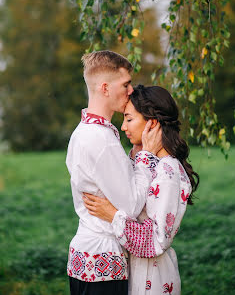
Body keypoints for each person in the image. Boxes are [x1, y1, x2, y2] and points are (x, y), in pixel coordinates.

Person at [83, 85, 199, 295]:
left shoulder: (168, 170)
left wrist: (112, 215)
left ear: (151, 124)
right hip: (132, 272)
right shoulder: (143, 160)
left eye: (129, 119)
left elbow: (157, 239)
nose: (124, 127)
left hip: (152, 281)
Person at [66, 52, 162, 295]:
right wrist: (146, 155)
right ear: (105, 88)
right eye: (126, 84)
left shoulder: (84, 131)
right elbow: (130, 206)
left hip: (86, 255)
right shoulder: (101, 139)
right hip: (103, 262)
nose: (131, 91)